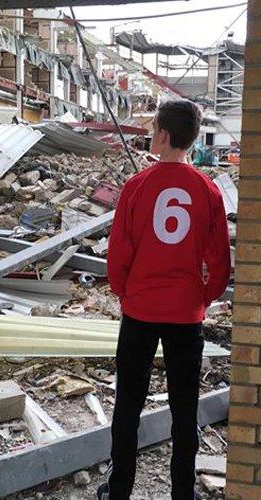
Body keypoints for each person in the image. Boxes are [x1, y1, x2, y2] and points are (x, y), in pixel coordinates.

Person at [97, 100, 231, 500]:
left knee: (128, 406)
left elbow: (118, 255)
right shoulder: (208, 190)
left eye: (154, 127)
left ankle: (119, 490)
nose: (151, 133)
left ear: (166, 135)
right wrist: (200, 298)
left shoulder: (136, 187)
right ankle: (181, 494)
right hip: (185, 316)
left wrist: (126, 292)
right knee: (185, 410)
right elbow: (220, 264)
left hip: (139, 312)